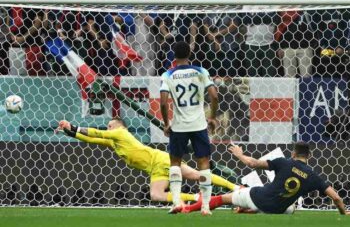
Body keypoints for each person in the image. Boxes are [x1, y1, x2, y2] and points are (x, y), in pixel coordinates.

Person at [56, 117, 236, 205]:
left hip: (158, 162)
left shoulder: (120, 133)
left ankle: (197, 198)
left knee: (157, 194)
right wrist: (67, 131)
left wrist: (73, 126)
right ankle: (234, 188)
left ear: (121, 126)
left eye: (111, 125)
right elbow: (91, 139)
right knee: (196, 175)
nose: (108, 127)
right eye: (108, 126)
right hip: (158, 161)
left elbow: (97, 133)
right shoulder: (114, 141)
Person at [181, 142, 350, 215]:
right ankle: (247, 210)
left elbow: (253, 163)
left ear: (293, 154)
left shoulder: (284, 162)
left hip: (257, 197)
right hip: (275, 210)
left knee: (223, 199)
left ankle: (188, 209)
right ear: (309, 156)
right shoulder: (314, 177)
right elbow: (336, 198)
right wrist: (344, 212)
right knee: (291, 208)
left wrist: (239, 154)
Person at [160, 41, 218, 215]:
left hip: (178, 126)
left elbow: (163, 102)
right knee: (204, 162)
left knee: (175, 162)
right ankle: (206, 207)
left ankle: (177, 202)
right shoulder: (201, 71)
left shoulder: (168, 74)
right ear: (190, 54)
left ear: (174, 55)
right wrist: (213, 117)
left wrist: (166, 123)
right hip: (199, 125)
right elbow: (214, 95)